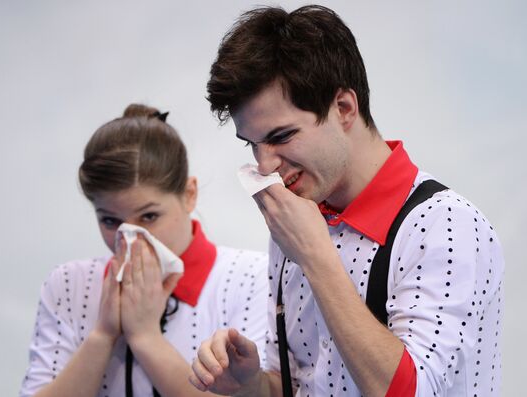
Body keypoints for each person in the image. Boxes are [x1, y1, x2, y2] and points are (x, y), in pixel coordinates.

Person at [189, 5, 504, 397]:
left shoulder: (448, 224)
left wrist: (316, 258)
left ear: (344, 109)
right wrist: (251, 382)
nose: (265, 164)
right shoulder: (298, 223)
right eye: (252, 144)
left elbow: (416, 391)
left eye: (281, 136)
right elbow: (303, 383)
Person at [19, 104, 269, 397]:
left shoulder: (251, 275)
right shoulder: (67, 284)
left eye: (149, 217)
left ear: (189, 195)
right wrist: (102, 336)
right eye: (110, 221)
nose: (131, 239)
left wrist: (145, 337)